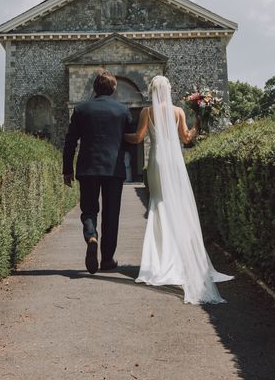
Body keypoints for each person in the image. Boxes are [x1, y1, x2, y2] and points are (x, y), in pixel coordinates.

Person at [124, 75, 233, 304]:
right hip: (175, 161)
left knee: (158, 203)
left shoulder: (146, 112)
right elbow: (186, 138)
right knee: (177, 206)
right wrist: (198, 122)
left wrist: (118, 135)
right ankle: (182, 258)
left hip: (157, 160)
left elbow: (138, 138)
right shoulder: (179, 111)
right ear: (168, 90)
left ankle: (160, 260)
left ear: (153, 90)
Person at [63, 70, 135, 274]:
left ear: (94, 88)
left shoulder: (81, 109)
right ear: (113, 89)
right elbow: (130, 140)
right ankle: (107, 259)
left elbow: (70, 142)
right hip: (114, 169)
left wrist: (67, 169)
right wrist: (121, 153)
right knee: (112, 215)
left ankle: (91, 237)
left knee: (88, 209)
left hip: (87, 168)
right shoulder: (122, 111)